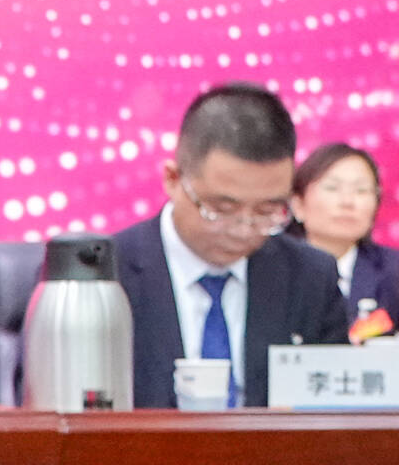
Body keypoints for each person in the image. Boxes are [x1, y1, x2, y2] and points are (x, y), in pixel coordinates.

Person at [111, 82, 352, 406]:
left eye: (266, 211)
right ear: (173, 179)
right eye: (222, 209)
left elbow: (335, 414)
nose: (243, 230)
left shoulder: (311, 278)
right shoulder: (107, 277)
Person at [288, 141, 399, 339]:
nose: (348, 202)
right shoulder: (274, 269)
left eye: (361, 191)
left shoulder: (397, 272)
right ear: (298, 205)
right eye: (332, 188)